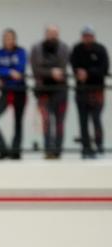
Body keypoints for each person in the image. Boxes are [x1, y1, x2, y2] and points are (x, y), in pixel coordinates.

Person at [31, 25, 70, 159]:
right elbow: (36, 69)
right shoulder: (37, 49)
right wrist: (51, 72)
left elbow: (63, 67)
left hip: (60, 90)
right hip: (43, 91)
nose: (52, 35)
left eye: (55, 33)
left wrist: (52, 71)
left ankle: (57, 150)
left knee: (59, 121)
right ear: (46, 34)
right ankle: (48, 149)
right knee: (46, 121)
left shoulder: (64, 48)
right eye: (50, 33)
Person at [70, 26, 109, 158]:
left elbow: (104, 69)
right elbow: (74, 65)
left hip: (97, 90)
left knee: (96, 118)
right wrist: (78, 72)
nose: (87, 38)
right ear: (82, 37)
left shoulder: (100, 49)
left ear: (93, 37)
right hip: (81, 90)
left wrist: (88, 73)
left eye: (89, 36)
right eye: (85, 36)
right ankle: (86, 147)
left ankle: (99, 145)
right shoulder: (77, 49)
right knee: (83, 120)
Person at [0, 29, 28, 160]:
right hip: (4, 91)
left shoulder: (21, 52)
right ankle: (2, 149)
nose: (8, 39)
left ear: (14, 39)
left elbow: (20, 69)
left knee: (18, 122)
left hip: (19, 91)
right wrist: (9, 73)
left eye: (10, 37)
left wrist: (6, 73)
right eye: (5, 37)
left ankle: (15, 150)